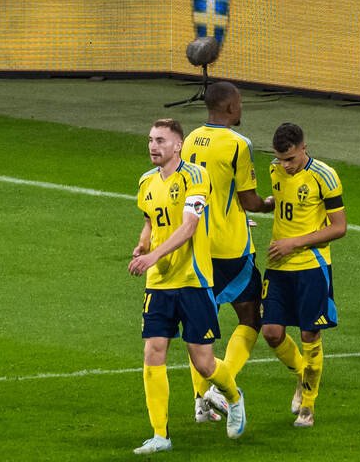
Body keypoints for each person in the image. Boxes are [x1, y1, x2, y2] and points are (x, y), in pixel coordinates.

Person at [130, 117, 247, 455]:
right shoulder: (146, 182)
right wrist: (143, 245)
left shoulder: (196, 176)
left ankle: (234, 397)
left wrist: (153, 257)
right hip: (160, 284)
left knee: (204, 363)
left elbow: (189, 226)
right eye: (151, 140)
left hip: (194, 280)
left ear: (178, 145)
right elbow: (151, 220)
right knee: (153, 352)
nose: (154, 146)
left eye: (161, 141)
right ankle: (160, 435)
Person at [180, 82, 267, 426]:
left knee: (199, 327)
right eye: (240, 103)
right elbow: (248, 200)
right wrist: (266, 205)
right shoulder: (239, 144)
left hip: (198, 244)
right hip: (232, 247)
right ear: (230, 107)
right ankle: (219, 385)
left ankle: (201, 403)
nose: (242, 108)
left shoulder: (189, 140)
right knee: (250, 318)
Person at [255, 120, 345, 430]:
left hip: (312, 266)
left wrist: (293, 243)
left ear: (304, 148)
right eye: (281, 159)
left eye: (291, 159)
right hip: (278, 266)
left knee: (309, 334)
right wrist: (269, 205)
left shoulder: (325, 176)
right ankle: (301, 374)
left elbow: (339, 227)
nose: (286, 166)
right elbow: (283, 201)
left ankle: (308, 406)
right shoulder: (274, 169)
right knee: (270, 332)